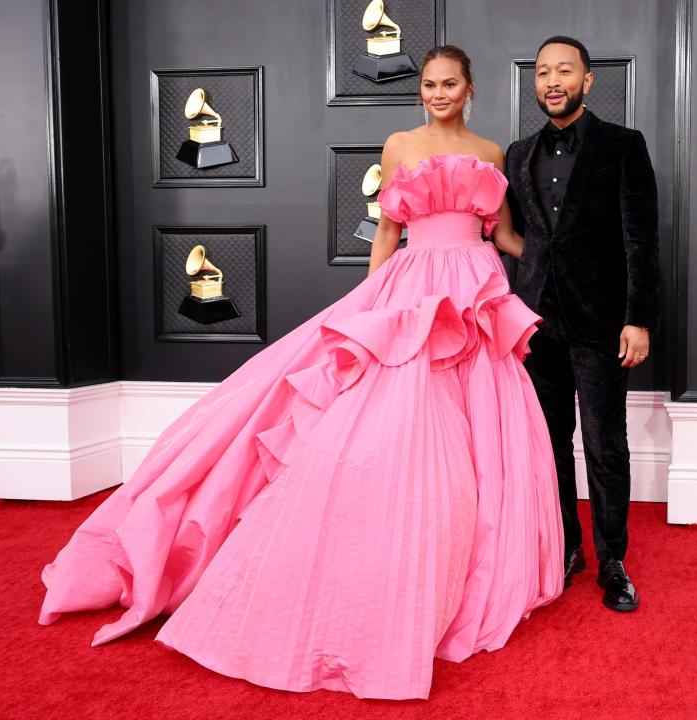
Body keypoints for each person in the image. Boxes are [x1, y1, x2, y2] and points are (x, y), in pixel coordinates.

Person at [38, 45, 563, 701]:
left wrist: (565, 247)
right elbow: (385, 236)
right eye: (428, 83)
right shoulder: (398, 144)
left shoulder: (491, 153)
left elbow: (506, 236)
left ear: (471, 88)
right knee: (390, 432)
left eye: (448, 84)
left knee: (483, 430)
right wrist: (373, 305)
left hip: (475, 293)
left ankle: (464, 559)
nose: (436, 93)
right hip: (411, 296)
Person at [502, 36, 660, 612]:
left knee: (603, 443)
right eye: (542, 71)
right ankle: (567, 546)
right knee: (549, 446)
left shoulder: (623, 145)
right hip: (537, 322)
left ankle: (612, 558)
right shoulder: (518, 154)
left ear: (587, 81)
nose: (552, 81)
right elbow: (517, 238)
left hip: (600, 321)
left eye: (564, 71)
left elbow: (641, 238)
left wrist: (638, 319)